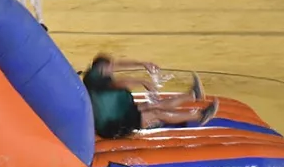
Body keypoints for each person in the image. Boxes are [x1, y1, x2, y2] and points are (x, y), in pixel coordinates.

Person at [81, 55, 218, 139]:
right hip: (114, 126)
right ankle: (201, 116)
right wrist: (141, 81)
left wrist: (141, 64)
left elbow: (117, 65)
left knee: (152, 105)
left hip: (119, 113)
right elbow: (117, 84)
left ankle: (193, 96)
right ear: (104, 67)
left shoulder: (96, 72)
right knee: (156, 113)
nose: (113, 70)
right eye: (111, 68)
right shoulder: (95, 80)